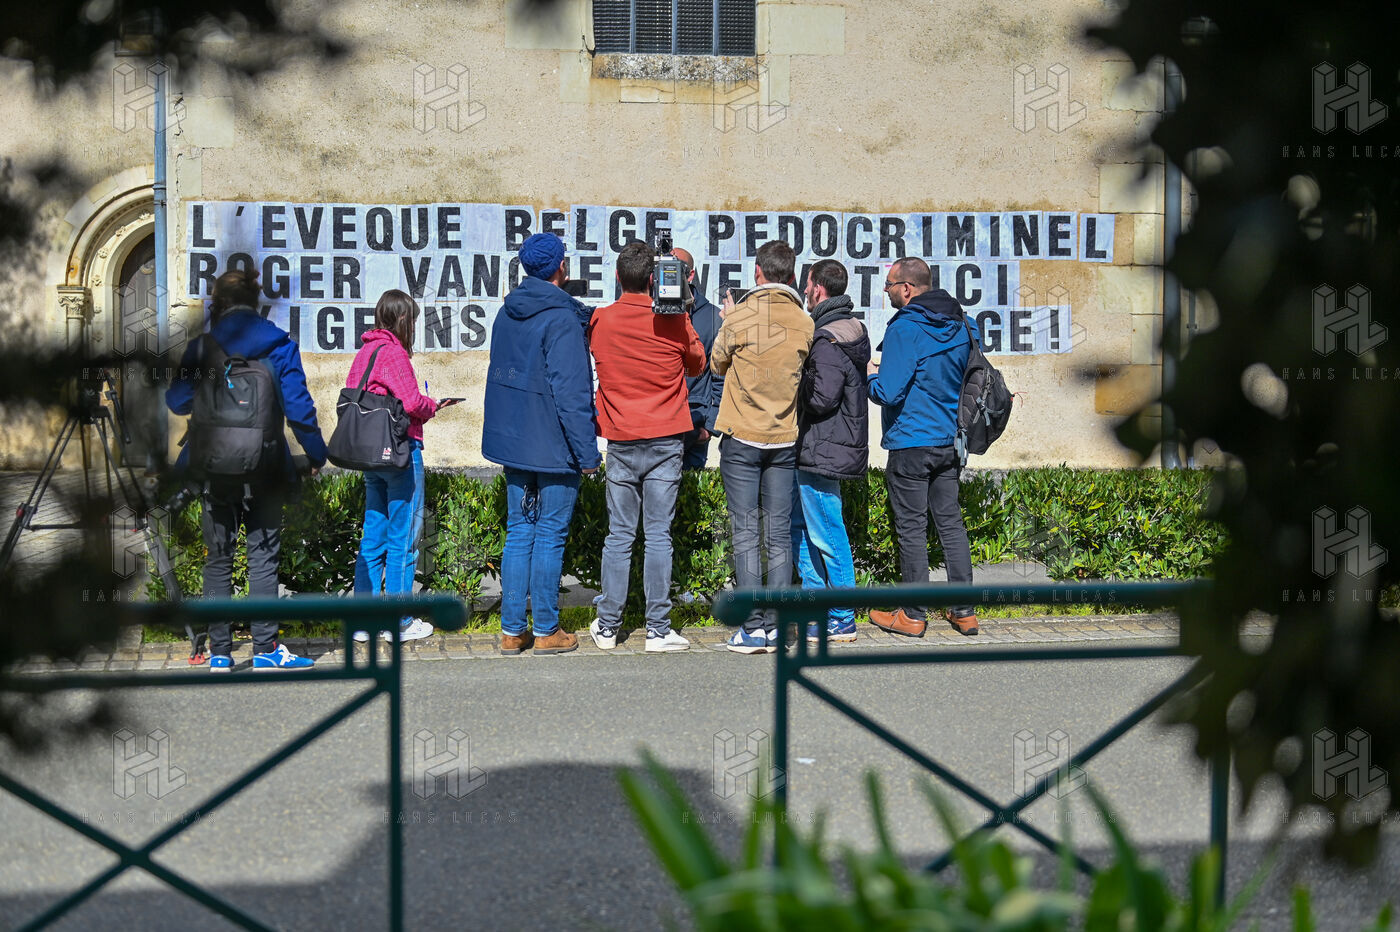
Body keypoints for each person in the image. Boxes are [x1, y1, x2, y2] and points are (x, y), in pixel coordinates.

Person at [166, 269, 326, 671]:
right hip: (266, 467)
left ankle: (220, 653)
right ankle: (266, 649)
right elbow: (300, 411)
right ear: (257, 302)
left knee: (218, 559)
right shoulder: (280, 345)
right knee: (263, 558)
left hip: (214, 469)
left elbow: (177, 401)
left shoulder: (202, 347)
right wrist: (316, 454)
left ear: (217, 304)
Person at [482, 233, 601, 655]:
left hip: (515, 441)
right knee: (549, 534)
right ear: (561, 268)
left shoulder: (506, 312)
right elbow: (572, 393)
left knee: (519, 532)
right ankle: (548, 629)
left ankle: (513, 630)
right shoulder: (562, 318)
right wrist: (588, 454)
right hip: (553, 444)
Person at [587, 241, 707, 652]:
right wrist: (684, 309)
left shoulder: (602, 319)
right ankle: (658, 629)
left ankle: (608, 626)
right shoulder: (674, 322)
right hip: (666, 439)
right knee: (658, 535)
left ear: (618, 276)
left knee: (619, 535)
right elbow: (698, 363)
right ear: (655, 280)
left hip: (621, 438)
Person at [710, 240, 814, 653]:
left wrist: (727, 320)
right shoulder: (805, 322)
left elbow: (716, 363)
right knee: (780, 534)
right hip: (785, 439)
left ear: (757, 273)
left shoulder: (740, 316)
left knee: (746, 531)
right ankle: (777, 625)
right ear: (792, 275)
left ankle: (752, 627)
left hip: (742, 438)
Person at [866, 258, 979, 637]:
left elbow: (889, 391)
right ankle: (965, 611)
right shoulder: (964, 324)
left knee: (912, 528)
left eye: (889, 284)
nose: (886, 290)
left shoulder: (905, 327)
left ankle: (913, 616)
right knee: (950, 523)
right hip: (950, 440)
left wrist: (870, 376)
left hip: (911, 442)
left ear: (907, 288)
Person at [346, 290, 451, 644]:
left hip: (371, 455)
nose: (415, 328)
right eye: (414, 322)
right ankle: (400, 621)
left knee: (373, 536)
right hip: (402, 452)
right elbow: (411, 403)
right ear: (404, 320)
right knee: (403, 538)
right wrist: (433, 405)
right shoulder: (394, 353)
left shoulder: (365, 352)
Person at [793, 259, 870, 644]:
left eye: (807, 285)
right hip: (825, 447)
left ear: (818, 288)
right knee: (807, 529)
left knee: (826, 532)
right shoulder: (847, 329)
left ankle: (841, 616)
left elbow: (822, 397)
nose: (805, 291)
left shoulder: (826, 340)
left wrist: (796, 382)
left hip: (823, 448)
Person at [671, 247, 724, 470]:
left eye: (676, 269)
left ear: (690, 274)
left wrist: (710, 427)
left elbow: (722, 376)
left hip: (695, 421)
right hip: (655, 423)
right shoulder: (647, 312)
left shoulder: (713, 317)